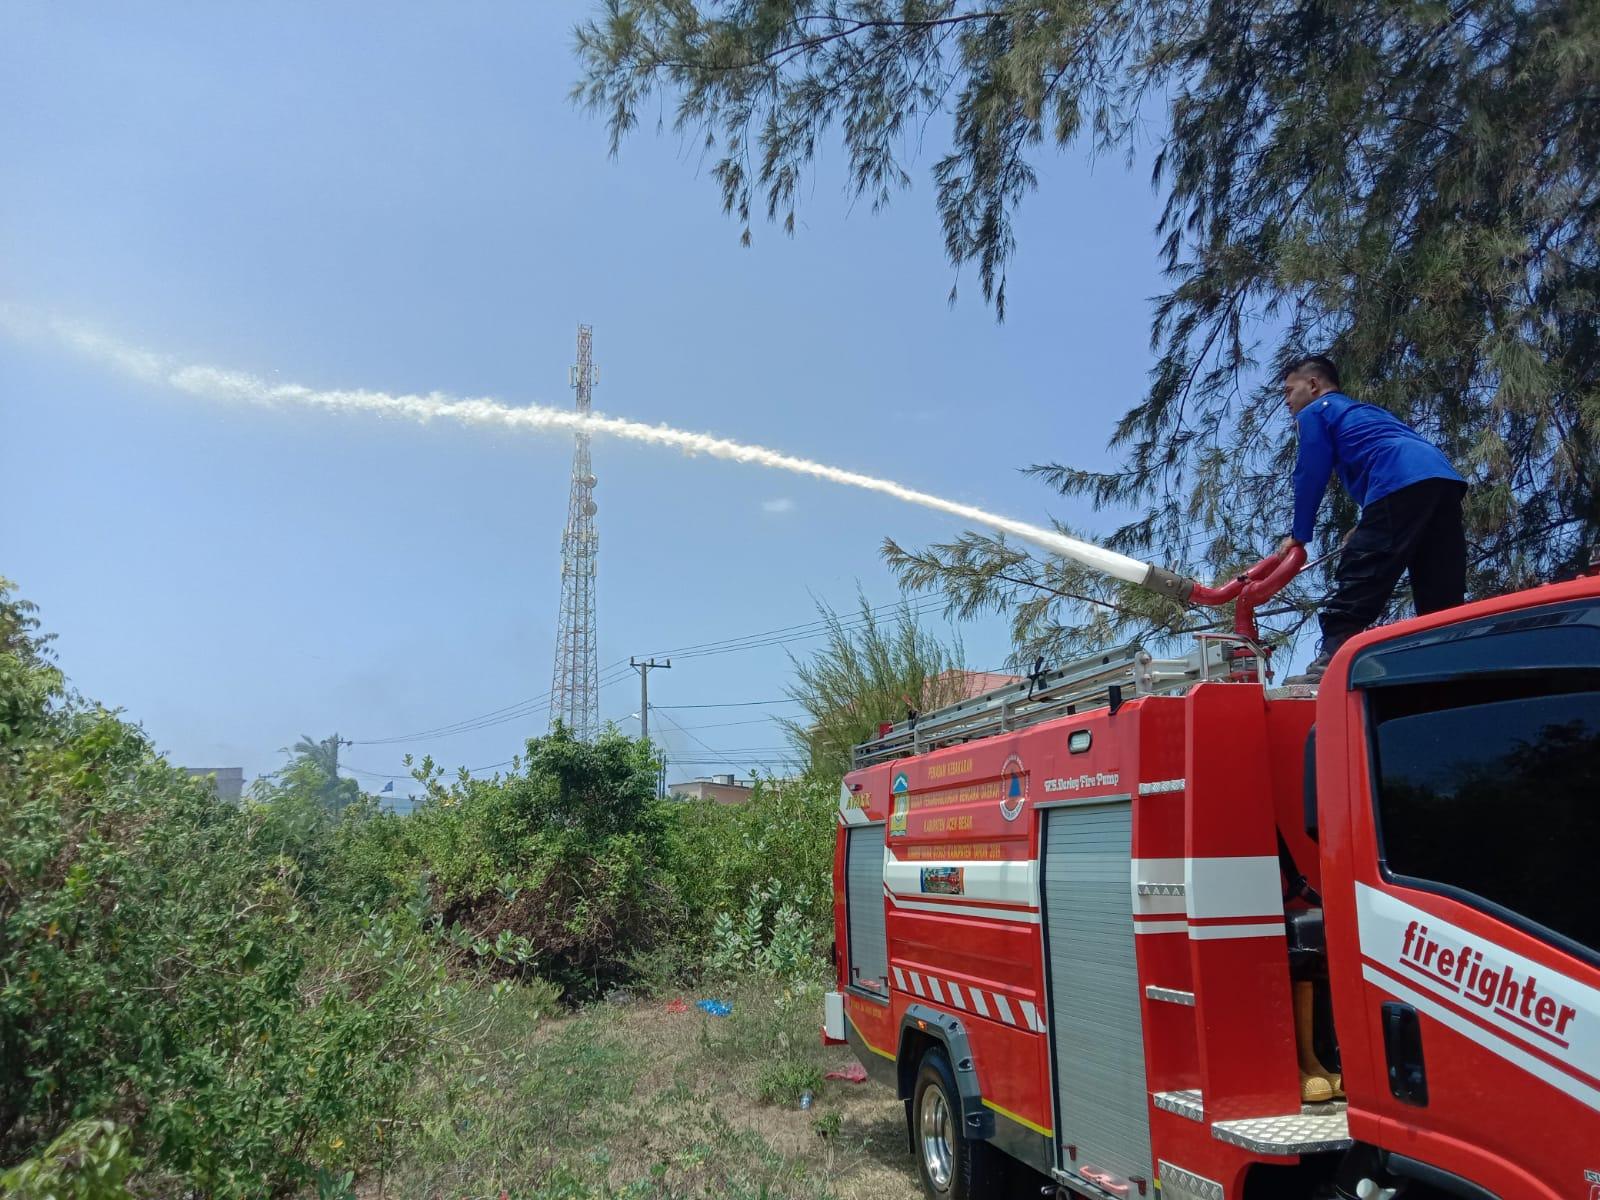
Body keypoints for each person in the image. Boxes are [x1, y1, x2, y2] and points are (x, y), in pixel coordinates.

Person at [1277, 355, 1467, 684]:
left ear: (1313, 385)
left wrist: (1299, 534)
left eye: (1289, 391)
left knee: (1363, 564)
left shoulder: (1316, 412)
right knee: (1439, 584)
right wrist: (1368, 521)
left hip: (1402, 478)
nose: (1286, 401)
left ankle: (1334, 659)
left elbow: (1310, 473)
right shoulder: (1361, 412)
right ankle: (1448, 661)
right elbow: (1386, 460)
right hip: (1441, 477)